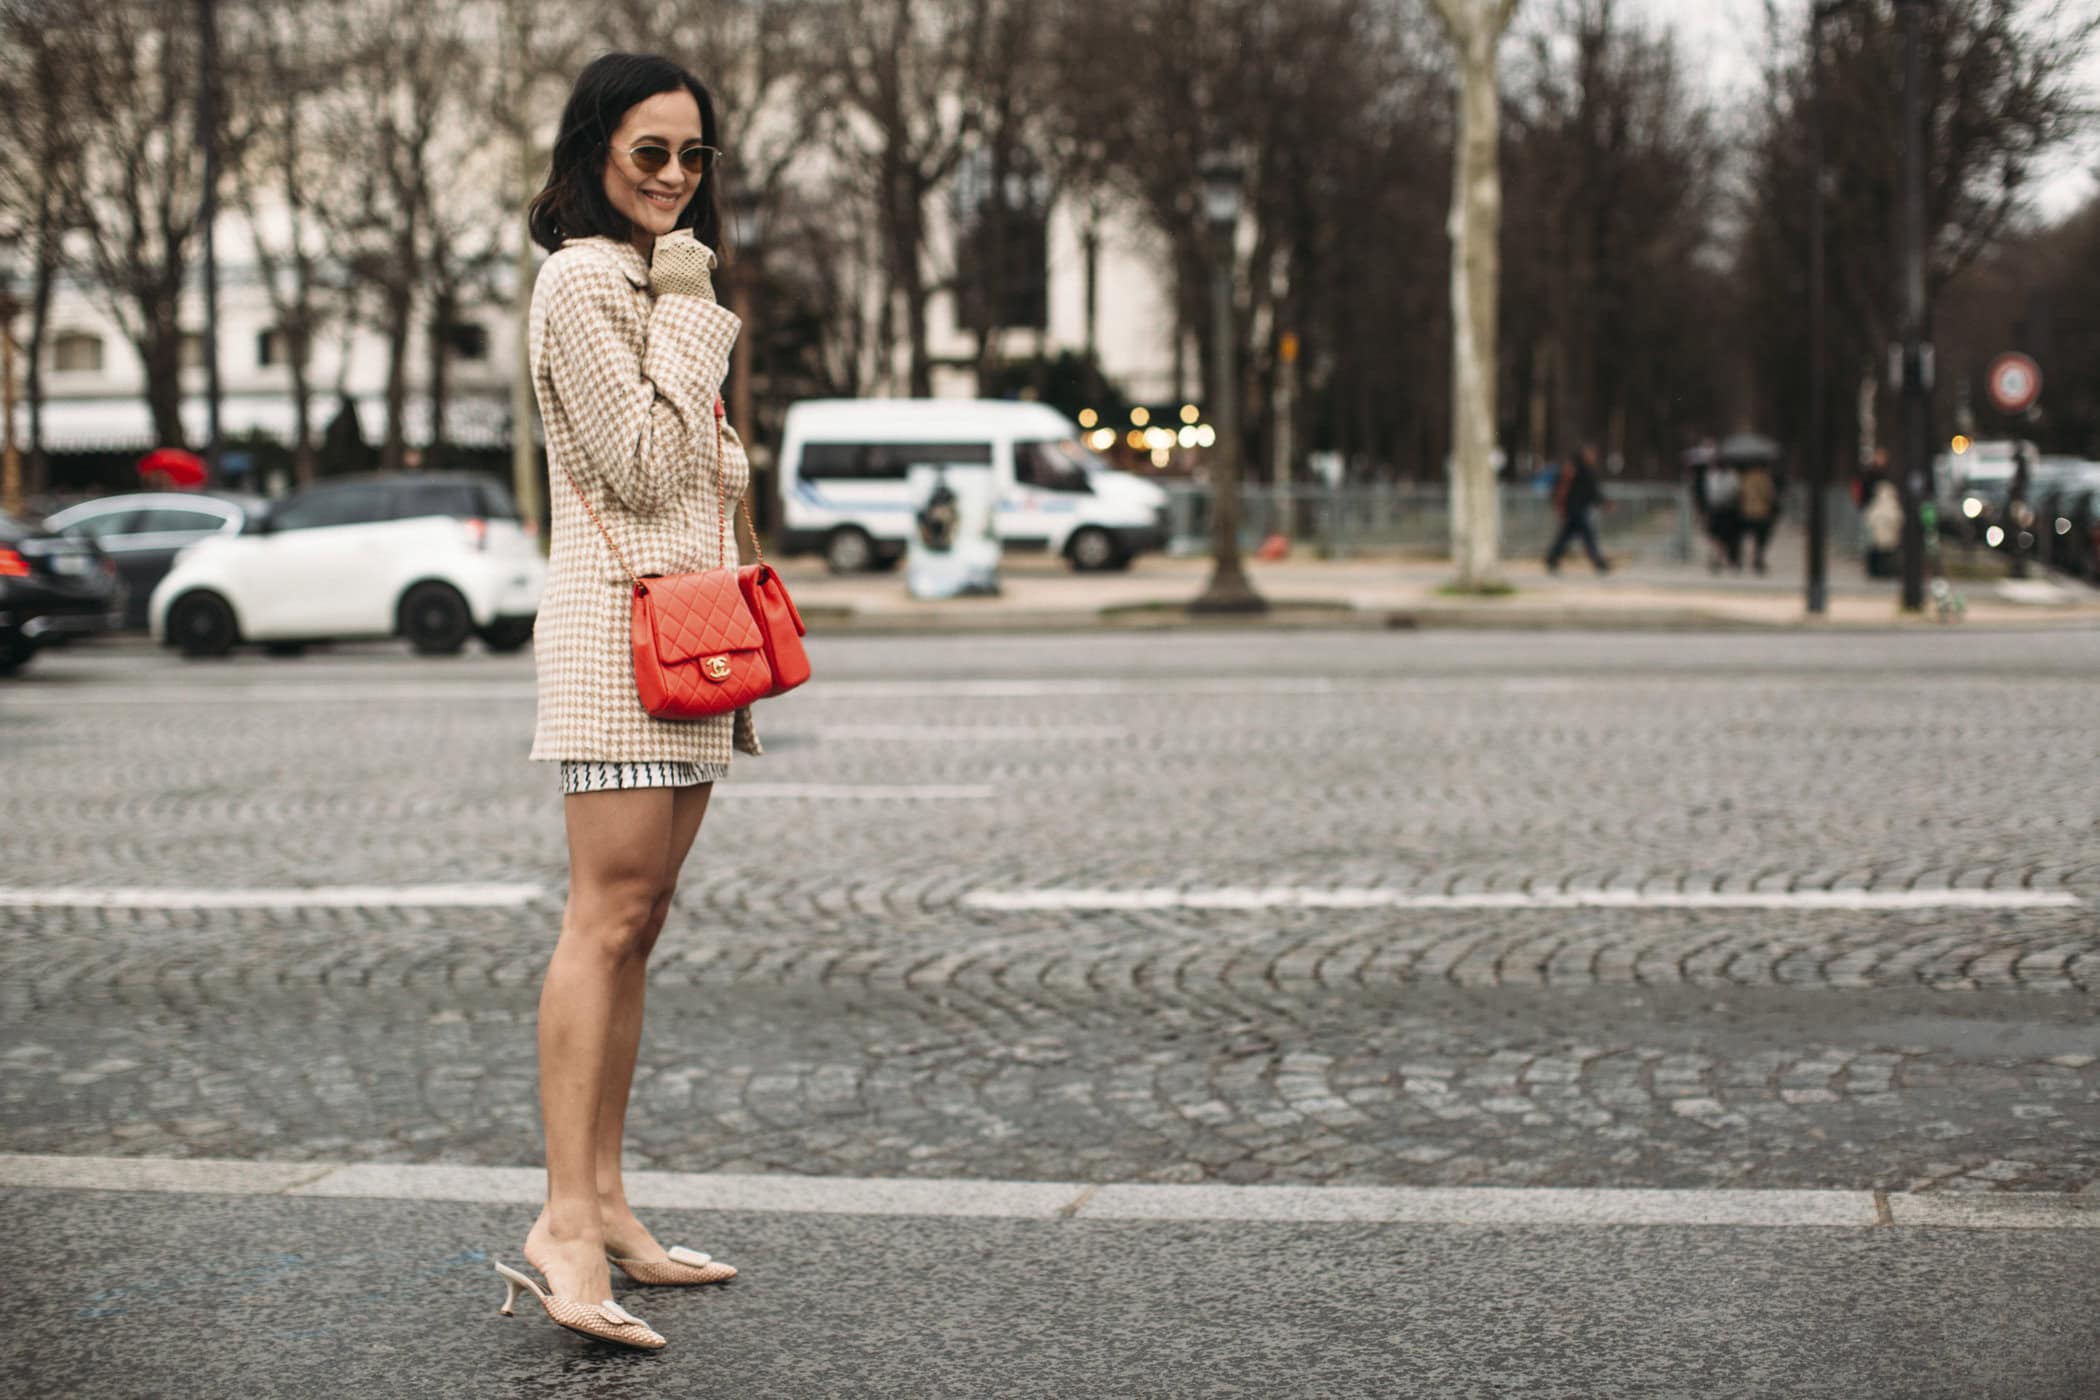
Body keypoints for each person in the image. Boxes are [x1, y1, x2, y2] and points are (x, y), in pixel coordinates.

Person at [495, 52, 754, 1352]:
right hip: (617, 644)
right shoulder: (583, 280)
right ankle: (563, 1220)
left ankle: (606, 1198)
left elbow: (713, 473)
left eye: (693, 155)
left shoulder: (650, 283)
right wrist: (695, 308)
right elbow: (647, 466)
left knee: (639, 924)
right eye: (651, 152)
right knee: (602, 922)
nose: (674, 176)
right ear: (595, 148)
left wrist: (683, 302)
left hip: (687, 640)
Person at [1544, 443, 1611, 573]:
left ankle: (1552, 559)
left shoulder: (1585, 470)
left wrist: (1604, 502)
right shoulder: (1574, 469)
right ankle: (1599, 563)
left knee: (1565, 537)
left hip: (1578, 509)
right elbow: (1564, 488)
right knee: (1588, 536)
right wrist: (1560, 506)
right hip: (1575, 509)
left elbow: (1591, 492)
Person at [1739, 460, 1780, 574]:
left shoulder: (1746, 478)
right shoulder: (1765, 479)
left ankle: (1749, 557)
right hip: (1763, 512)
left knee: (1749, 537)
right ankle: (1758, 558)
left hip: (1748, 512)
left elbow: (1741, 494)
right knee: (1761, 538)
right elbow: (1771, 495)